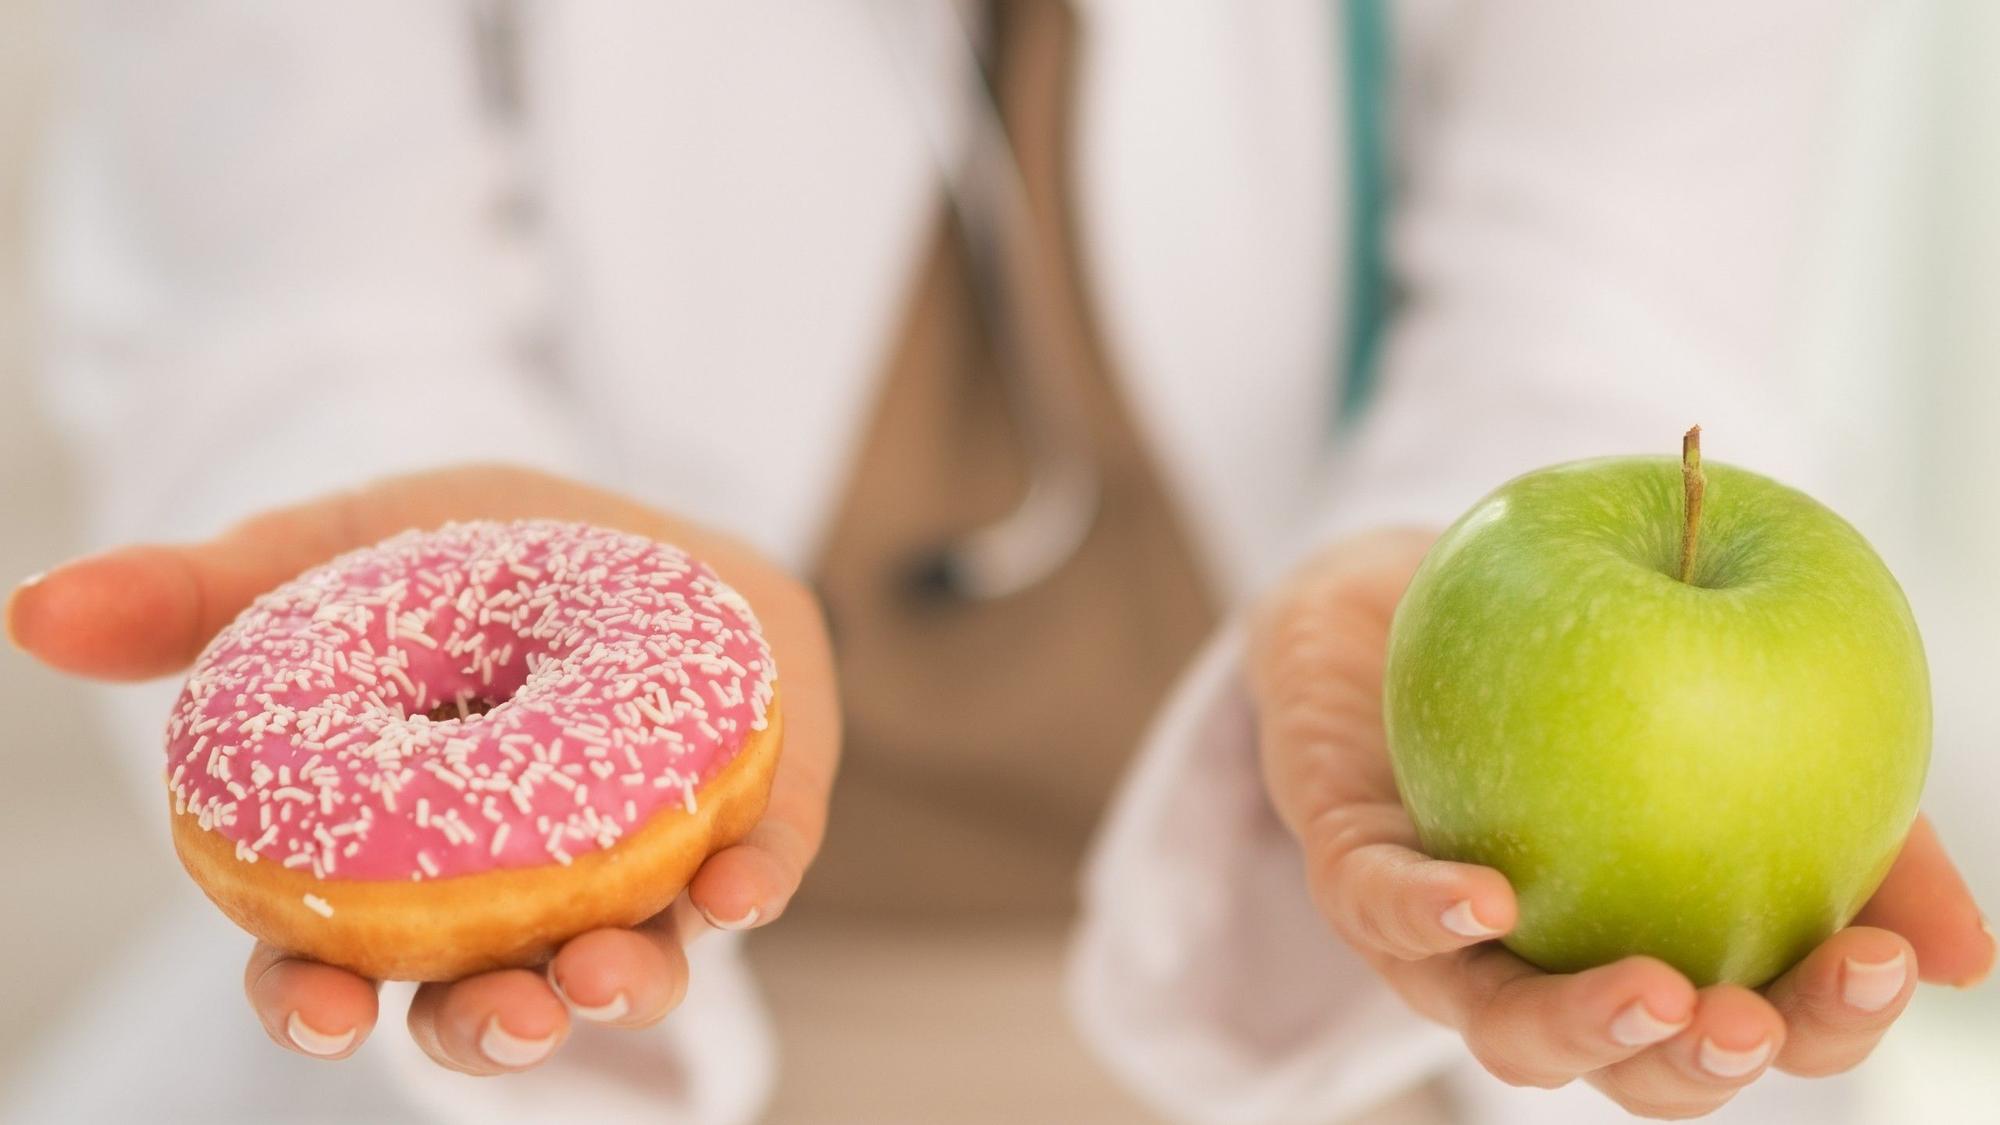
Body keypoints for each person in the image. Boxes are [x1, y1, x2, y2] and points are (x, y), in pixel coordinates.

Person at [6, 2, 1992, 1122]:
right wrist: (437, 546)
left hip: (1331, 983)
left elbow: (1605, 307)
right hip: (597, 1037)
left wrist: (1446, 652)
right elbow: (297, 297)